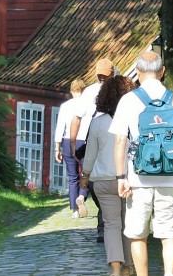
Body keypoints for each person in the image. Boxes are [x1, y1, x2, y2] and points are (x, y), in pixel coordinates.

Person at [110, 51, 173, 276]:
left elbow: (120, 141)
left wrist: (121, 177)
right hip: (171, 176)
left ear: (137, 73)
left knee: (138, 235)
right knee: (170, 234)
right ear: (163, 71)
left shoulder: (128, 100)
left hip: (138, 178)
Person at [80, 75, 136, 276]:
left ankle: (115, 267)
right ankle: (129, 266)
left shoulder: (98, 123)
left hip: (103, 180)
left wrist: (85, 176)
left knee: (112, 224)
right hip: (129, 180)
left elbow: (90, 155)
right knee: (129, 224)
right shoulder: (134, 120)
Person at [71, 58, 115, 236]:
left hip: (92, 140)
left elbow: (76, 118)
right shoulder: (93, 92)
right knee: (100, 181)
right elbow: (77, 117)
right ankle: (105, 219)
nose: (102, 78)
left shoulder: (90, 91)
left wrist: (73, 142)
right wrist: (74, 142)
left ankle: (104, 222)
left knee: (96, 181)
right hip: (103, 139)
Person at [55, 78, 89, 219]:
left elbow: (59, 128)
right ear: (84, 90)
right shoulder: (89, 105)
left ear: (71, 91)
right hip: (84, 141)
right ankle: (82, 195)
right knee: (87, 173)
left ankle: (75, 210)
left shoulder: (65, 106)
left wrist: (57, 148)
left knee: (72, 177)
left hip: (68, 140)